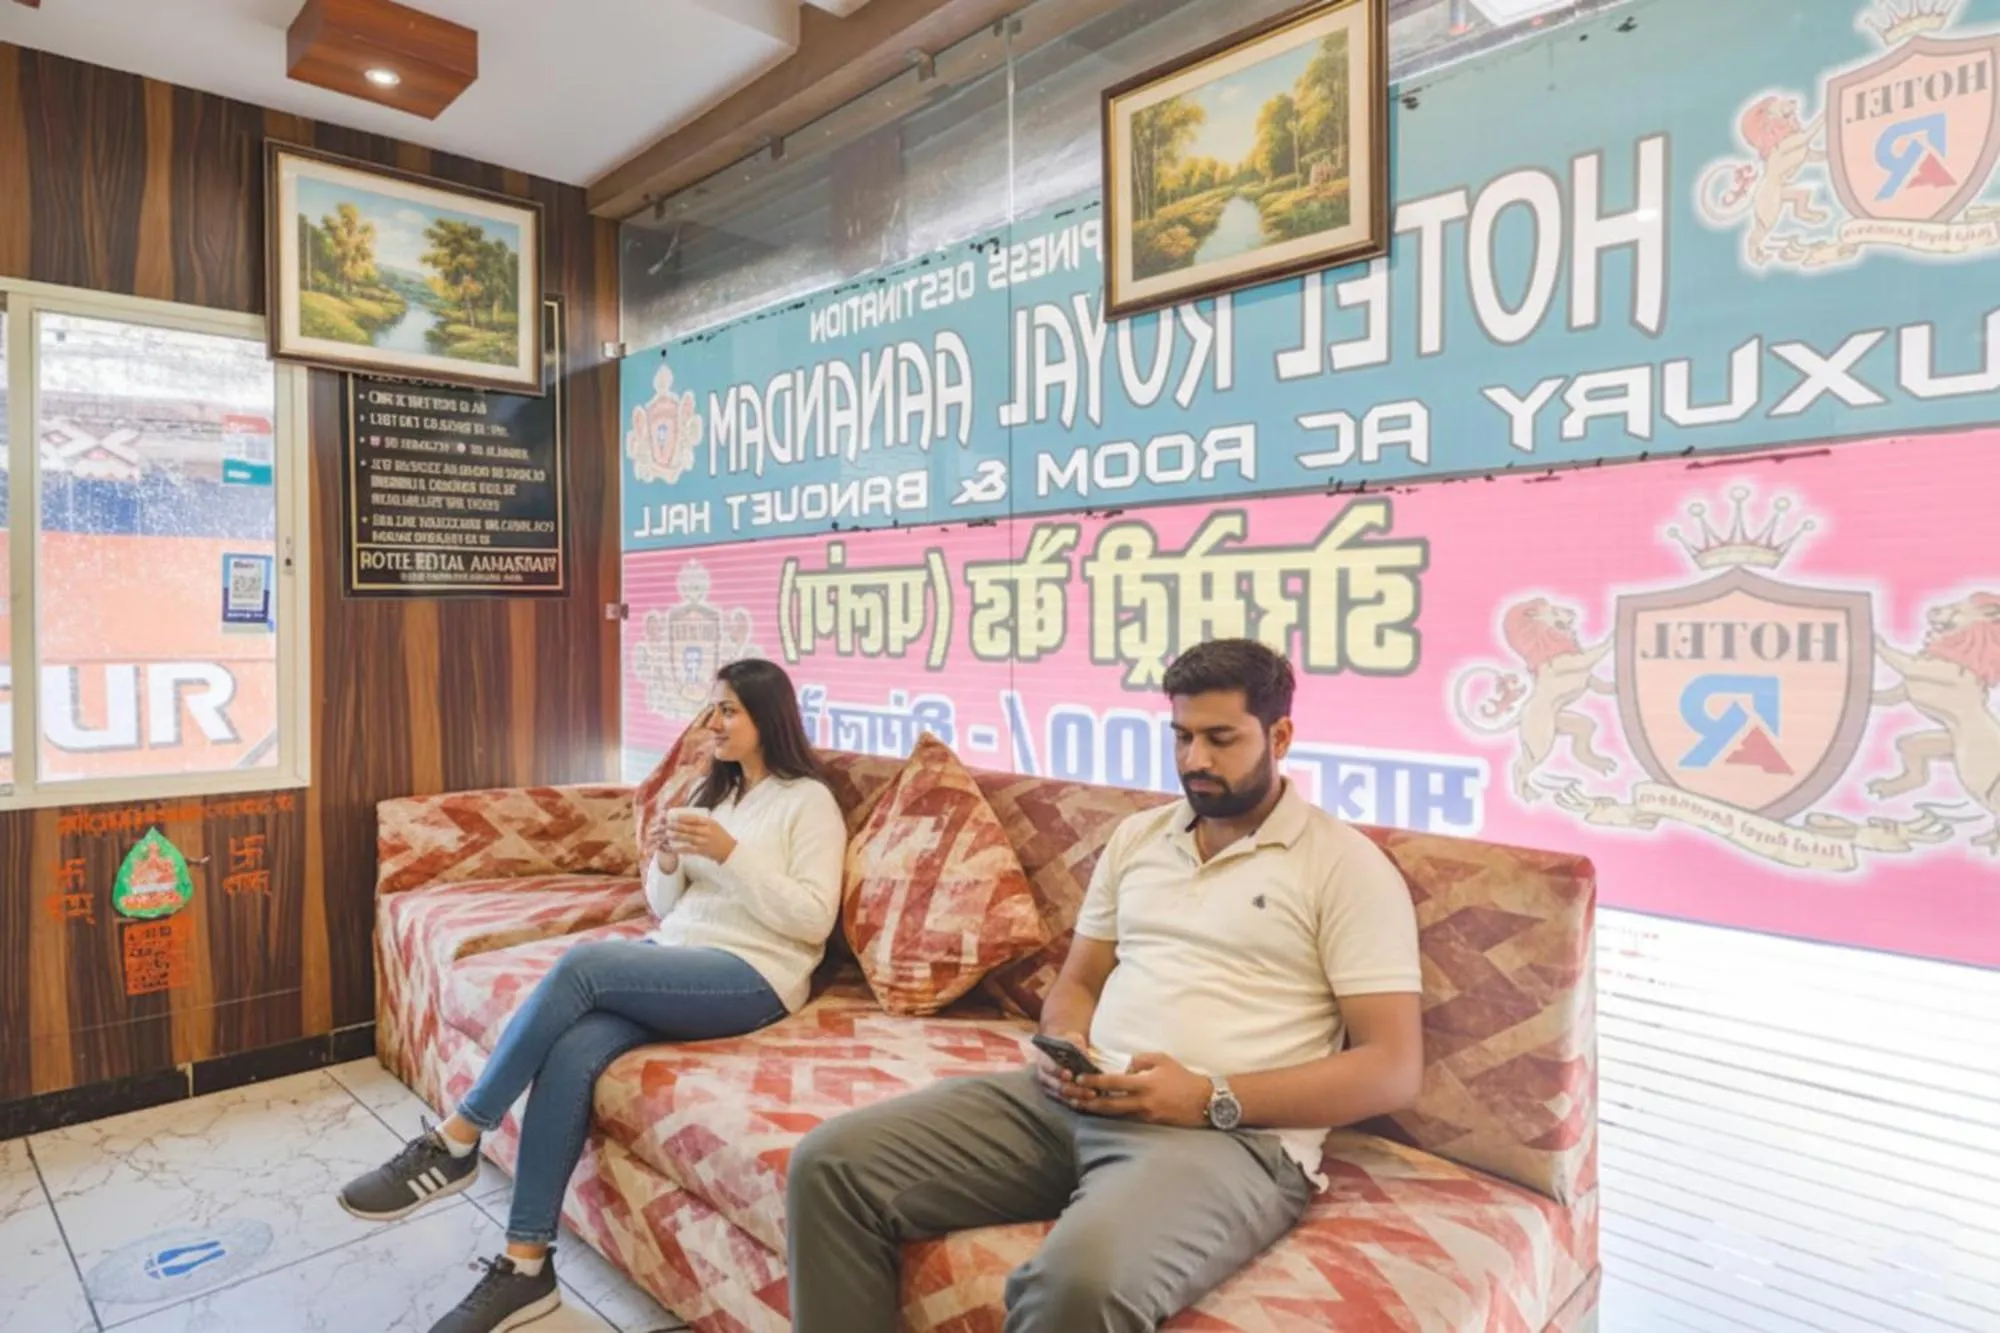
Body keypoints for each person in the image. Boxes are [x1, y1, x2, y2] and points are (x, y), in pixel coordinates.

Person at [785, 638, 1426, 1333]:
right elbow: (1079, 981)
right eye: (1181, 736)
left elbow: (1393, 1069)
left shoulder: (1345, 866)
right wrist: (1065, 1042)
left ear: (1280, 735)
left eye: (1220, 738)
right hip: (1077, 1098)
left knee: (1078, 1285)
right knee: (830, 1165)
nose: (1194, 760)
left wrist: (1209, 1096)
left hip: (1230, 1139)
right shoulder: (1138, 839)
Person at [340, 658, 847, 1333]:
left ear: (769, 717)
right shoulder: (712, 793)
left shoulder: (806, 800)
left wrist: (731, 853)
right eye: (711, 708)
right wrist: (668, 860)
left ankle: (457, 1136)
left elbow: (812, 919)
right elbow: (668, 906)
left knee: (580, 968)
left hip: (755, 974)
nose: (713, 722)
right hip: (680, 954)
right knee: (573, 1049)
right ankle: (525, 1266)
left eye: (729, 709)